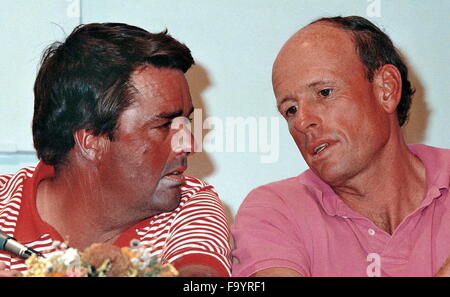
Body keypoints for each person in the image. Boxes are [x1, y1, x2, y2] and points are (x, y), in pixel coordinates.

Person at [0, 23, 231, 277]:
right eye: (165, 125)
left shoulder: (191, 204)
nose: (190, 144)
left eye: (186, 122)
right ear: (91, 141)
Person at [232, 16, 450, 277]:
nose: (302, 122)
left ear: (386, 89)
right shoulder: (275, 209)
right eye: (290, 109)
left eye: (324, 93)